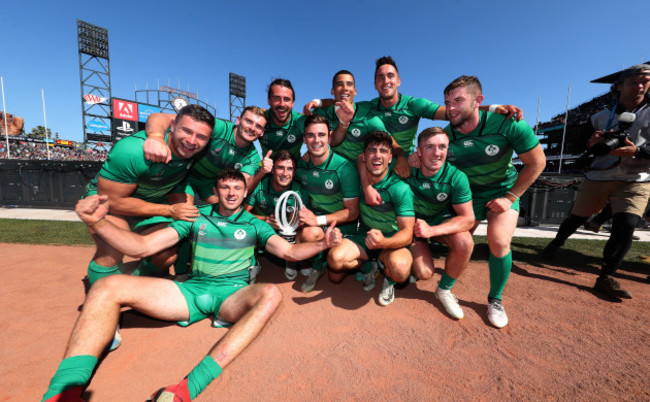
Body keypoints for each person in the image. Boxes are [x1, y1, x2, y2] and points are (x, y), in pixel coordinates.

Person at [42, 170, 342, 402]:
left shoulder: (255, 225)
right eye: (225, 187)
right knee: (106, 286)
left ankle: (186, 388)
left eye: (238, 188)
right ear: (216, 191)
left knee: (271, 294)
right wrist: (98, 224)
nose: (232, 192)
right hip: (191, 291)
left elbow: (289, 252)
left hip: (232, 295)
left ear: (244, 191)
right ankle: (63, 393)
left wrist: (323, 246)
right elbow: (143, 246)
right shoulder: (195, 217)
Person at [443, 75, 546, 328]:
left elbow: (537, 162)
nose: (451, 107)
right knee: (459, 241)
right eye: (447, 102)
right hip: (468, 196)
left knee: (498, 241)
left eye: (458, 100)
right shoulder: (446, 135)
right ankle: (444, 288)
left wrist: (510, 197)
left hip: (503, 191)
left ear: (478, 101)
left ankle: (495, 299)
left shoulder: (509, 124)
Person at [542, 64, 650, 299]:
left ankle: (606, 276)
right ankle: (555, 244)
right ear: (619, 86)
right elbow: (575, 145)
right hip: (599, 175)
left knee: (627, 224)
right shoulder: (600, 116)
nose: (641, 86)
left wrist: (637, 152)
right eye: (635, 81)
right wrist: (591, 142)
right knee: (576, 217)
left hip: (636, 178)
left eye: (646, 81)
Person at [82, 104, 213, 288]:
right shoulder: (132, 151)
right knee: (113, 248)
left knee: (166, 253)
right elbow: (112, 202)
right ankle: (99, 295)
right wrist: (169, 210)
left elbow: (161, 116)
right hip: (109, 202)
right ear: (173, 126)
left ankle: (138, 280)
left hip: (151, 202)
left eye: (201, 137)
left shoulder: (194, 150)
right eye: (186, 131)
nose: (192, 140)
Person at [327, 131, 415, 306]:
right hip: (365, 236)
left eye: (383, 151)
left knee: (400, 270)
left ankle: (389, 279)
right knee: (335, 261)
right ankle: (370, 267)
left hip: (391, 240)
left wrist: (383, 243)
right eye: (372, 151)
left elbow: (407, 233)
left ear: (391, 158)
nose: (377, 155)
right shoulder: (357, 177)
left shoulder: (400, 188)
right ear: (365, 156)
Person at [406, 127, 474, 319]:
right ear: (418, 151)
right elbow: (367, 159)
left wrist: (432, 230)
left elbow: (468, 219)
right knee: (424, 272)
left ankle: (444, 290)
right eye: (429, 147)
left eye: (442, 147)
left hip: (437, 224)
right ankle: (398, 264)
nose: (437, 153)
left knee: (465, 242)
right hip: (410, 226)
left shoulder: (456, 177)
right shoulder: (405, 167)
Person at [143, 106, 272, 202]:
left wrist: (262, 172)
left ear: (262, 132)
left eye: (258, 126)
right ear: (238, 120)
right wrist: (156, 137)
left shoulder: (253, 157)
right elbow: (158, 117)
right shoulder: (218, 127)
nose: (252, 128)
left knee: (224, 213)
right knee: (185, 214)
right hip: (185, 174)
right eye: (249, 121)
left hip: (209, 184)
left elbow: (243, 187)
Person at [295, 114, 361, 293]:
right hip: (320, 225)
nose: (316, 140)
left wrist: (318, 220)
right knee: (306, 234)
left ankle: (368, 266)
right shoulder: (301, 166)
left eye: (321, 135)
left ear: (330, 138)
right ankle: (317, 267)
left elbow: (352, 212)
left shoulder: (344, 168)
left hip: (345, 227)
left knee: (336, 273)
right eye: (311, 135)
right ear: (304, 139)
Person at [244, 150, 310, 280]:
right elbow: (243, 214)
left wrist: (289, 225)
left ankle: (291, 260)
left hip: (288, 233)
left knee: (305, 232)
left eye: (290, 169)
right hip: (263, 229)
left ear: (294, 172)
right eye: (280, 168)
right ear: (272, 170)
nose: (285, 173)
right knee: (244, 229)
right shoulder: (260, 184)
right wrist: (265, 220)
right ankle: (251, 264)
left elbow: (303, 220)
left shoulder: (299, 190)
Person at [258, 79, 307, 158]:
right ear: (269, 100)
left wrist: (319, 103)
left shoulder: (301, 121)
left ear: (293, 103)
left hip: (294, 169)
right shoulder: (260, 119)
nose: (282, 104)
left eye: (287, 99)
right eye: (276, 98)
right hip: (267, 169)